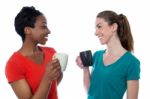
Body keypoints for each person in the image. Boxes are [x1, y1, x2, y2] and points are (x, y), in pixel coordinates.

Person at [76, 10, 140, 99]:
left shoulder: (131, 62)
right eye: (96, 28)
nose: (95, 32)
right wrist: (85, 67)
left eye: (99, 27)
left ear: (113, 27)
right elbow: (91, 92)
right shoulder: (97, 56)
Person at [5, 6, 63, 99]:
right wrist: (47, 78)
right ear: (27, 30)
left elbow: (55, 81)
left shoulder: (51, 52)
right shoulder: (13, 64)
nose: (48, 31)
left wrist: (55, 74)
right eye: (43, 26)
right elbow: (48, 80)